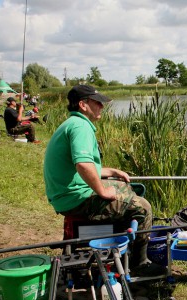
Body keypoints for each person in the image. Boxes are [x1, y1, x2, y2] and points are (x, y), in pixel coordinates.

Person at [43, 84, 164, 277]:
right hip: (75, 198)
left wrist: (112, 171)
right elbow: (83, 165)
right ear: (83, 105)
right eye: (97, 102)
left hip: (67, 194)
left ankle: (125, 244)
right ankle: (139, 263)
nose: (102, 106)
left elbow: (85, 166)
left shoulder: (74, 123)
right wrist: (101, 191)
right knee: (143, 207)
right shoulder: (80, 127)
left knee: (125, 186)